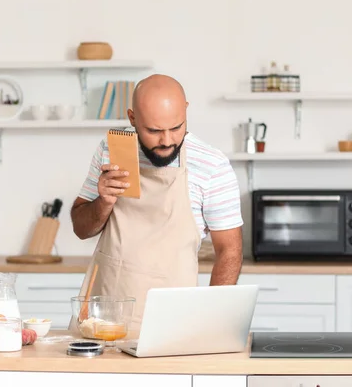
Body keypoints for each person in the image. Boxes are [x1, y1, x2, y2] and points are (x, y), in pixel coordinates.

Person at [70, 74, 244, 330]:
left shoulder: (212, 166)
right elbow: (81, 229)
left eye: (176, 127)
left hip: (172, 319)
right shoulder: (112, 149)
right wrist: (103, 202)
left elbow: (230, 251)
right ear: (132, 118)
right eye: (153, 131)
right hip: (103, 315)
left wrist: (211, 320)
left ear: (186, 110)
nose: (167, 141)